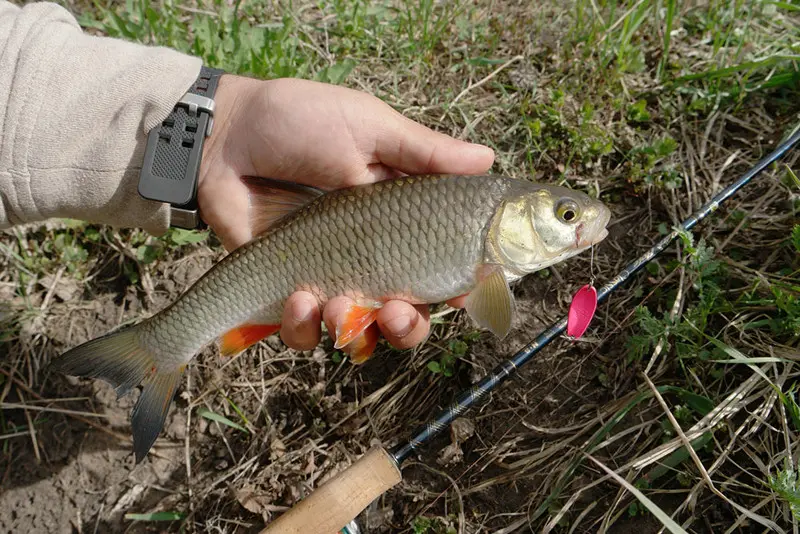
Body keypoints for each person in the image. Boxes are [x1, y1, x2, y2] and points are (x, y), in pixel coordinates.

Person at [0, 1, 495, 358]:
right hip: (300, 240)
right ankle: (159, 347)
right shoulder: (482, 239)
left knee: (340, 313)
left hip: (303, 241)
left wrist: (219, 133)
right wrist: (217, 137)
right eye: (566, 216)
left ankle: (173, 341)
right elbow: (497, 316)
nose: (575, 226)